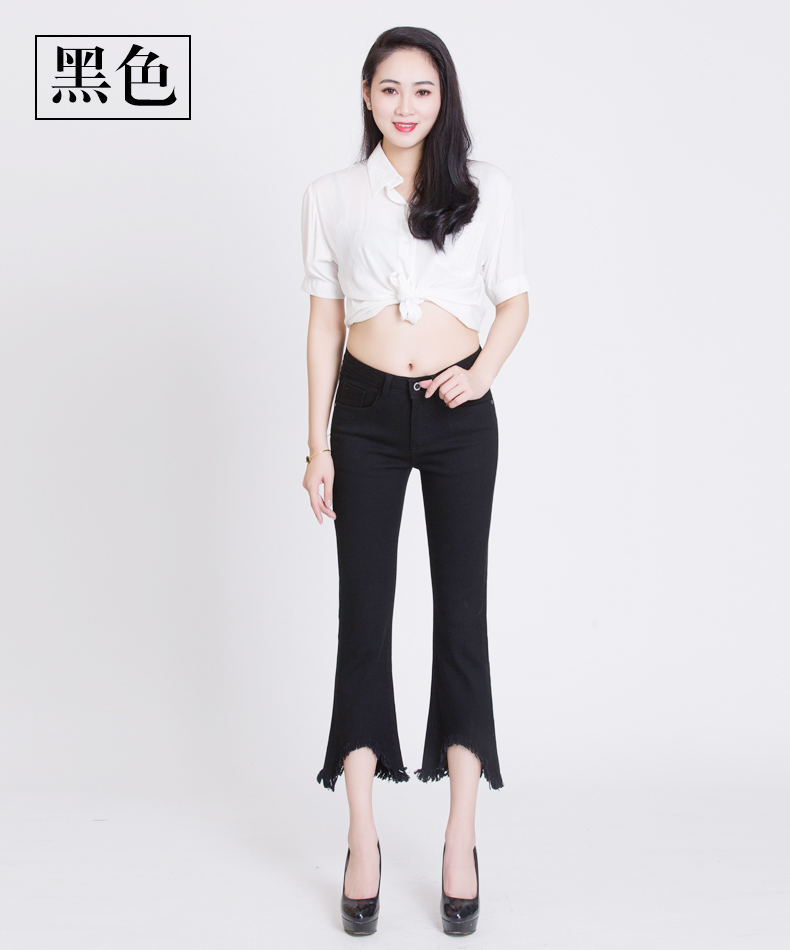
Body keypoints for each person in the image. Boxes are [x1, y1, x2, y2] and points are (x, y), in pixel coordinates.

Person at [300, 26, 530, 936]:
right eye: (390, 88)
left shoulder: (483, 188)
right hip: (361, 418)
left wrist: (482, 373)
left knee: (461, 616)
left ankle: (460, 837)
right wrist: (315, 445)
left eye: (423, 90)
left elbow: (514, 298)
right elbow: (324, 322)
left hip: (457, 421)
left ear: (444, 98)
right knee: (363, 619)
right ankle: (361, 837)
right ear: (366, 94)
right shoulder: (331, 196)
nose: (406, 106)